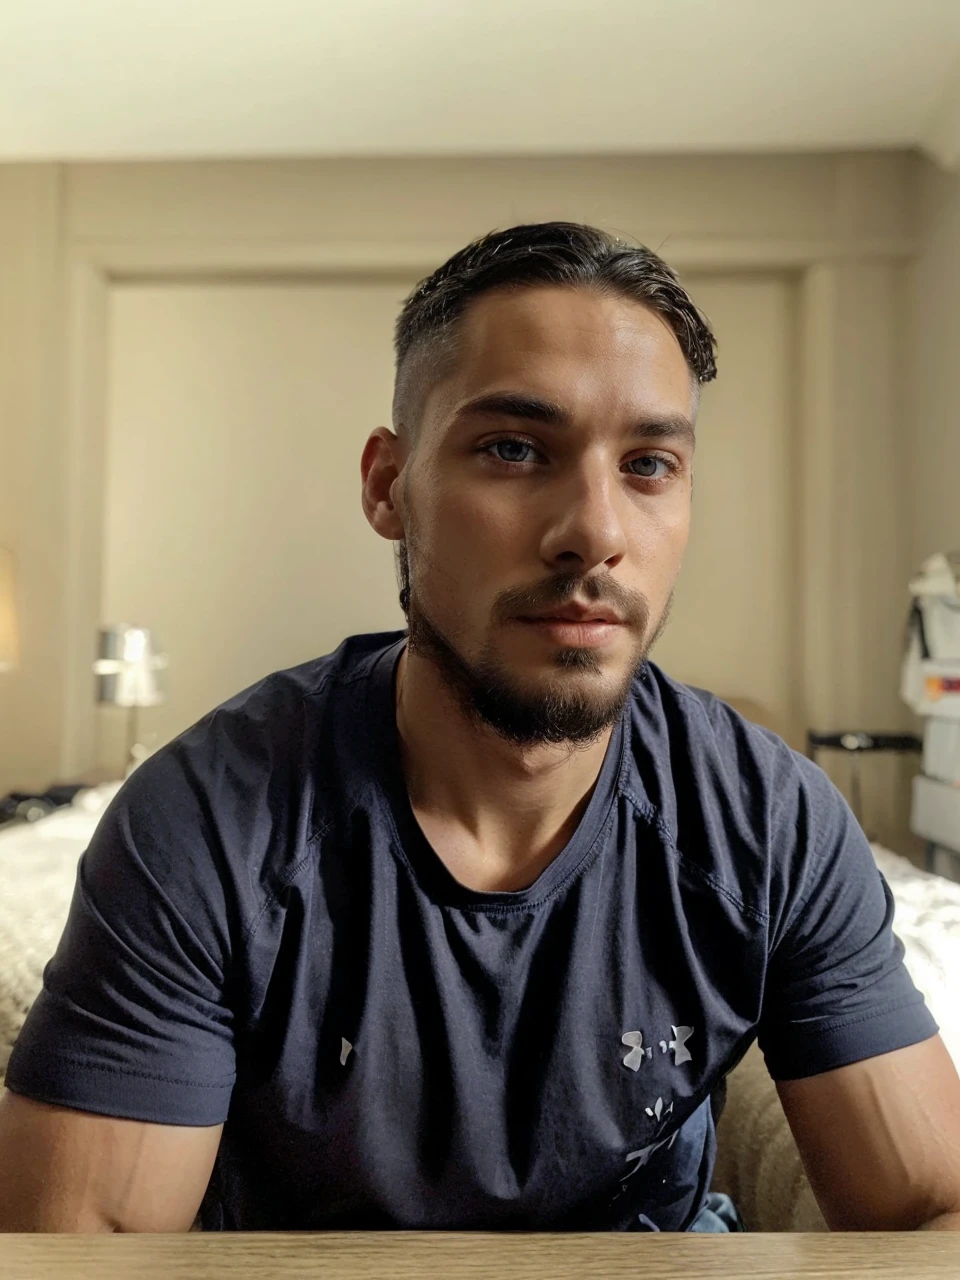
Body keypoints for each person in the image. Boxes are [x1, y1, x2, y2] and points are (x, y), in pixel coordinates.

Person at [2, 222, 959, 1234]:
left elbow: (933, 1210)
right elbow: (75, 1254)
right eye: (513, 448)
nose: (595, 531)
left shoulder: (769, 822)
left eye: (648, 464)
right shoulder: (206, 822)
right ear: (388, 486)